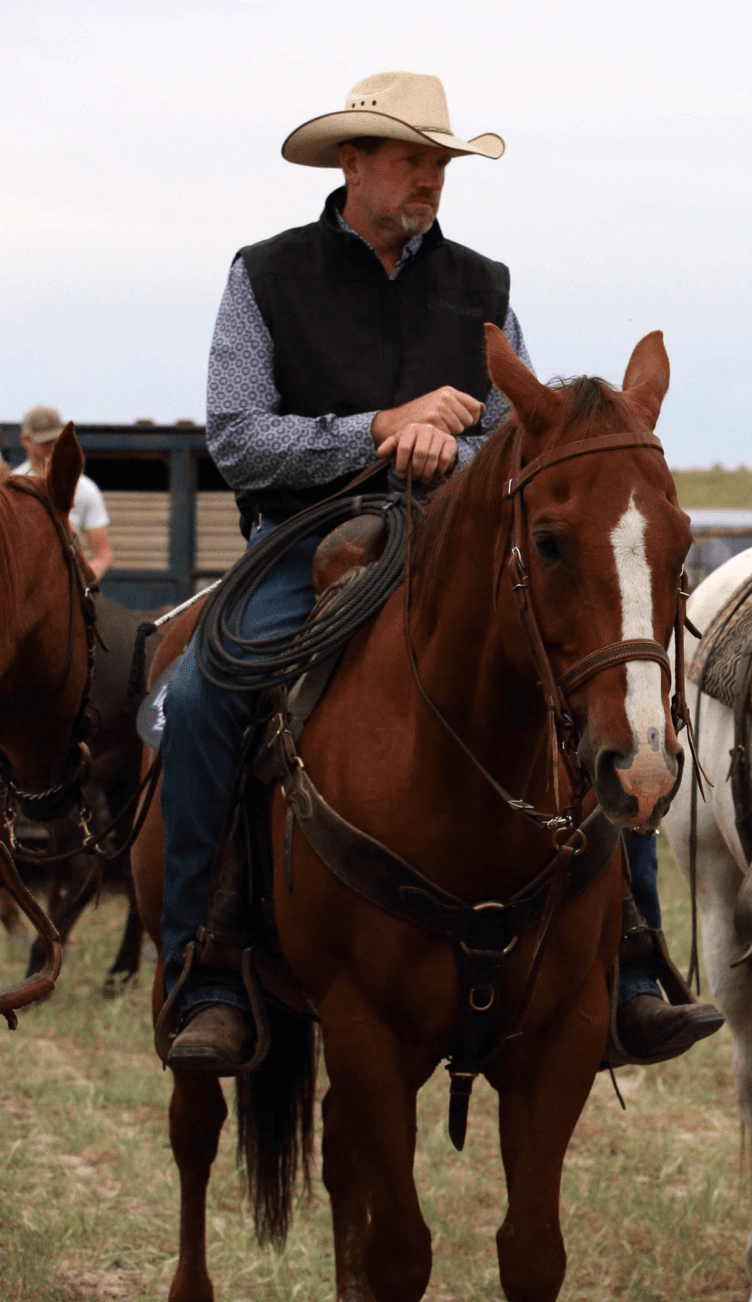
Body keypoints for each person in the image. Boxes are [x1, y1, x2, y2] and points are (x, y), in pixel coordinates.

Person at [162, 71, 720, 1072]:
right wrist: (377, 430)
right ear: (353, 163)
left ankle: (632, 961)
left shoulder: (483, 283)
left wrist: (447, 455)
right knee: (205, 692)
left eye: (441, 163)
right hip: (304, 537)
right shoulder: (265, 274)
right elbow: (240, 441)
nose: (432, 179)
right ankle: (209, 963)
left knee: (590, 674)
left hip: (455, 539)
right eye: (413, 160)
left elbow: (526, 444)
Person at [11, 405, 113, 581]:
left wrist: (81, 583)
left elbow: (103, 555)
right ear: (26, 441)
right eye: (44, 442)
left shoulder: (85, 489)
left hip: (65, 594)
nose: (52, 447)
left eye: (55, 440)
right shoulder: (10, 488)